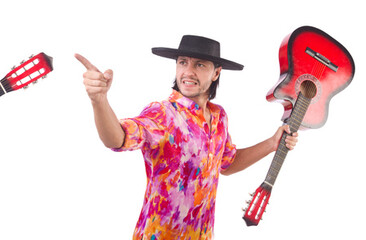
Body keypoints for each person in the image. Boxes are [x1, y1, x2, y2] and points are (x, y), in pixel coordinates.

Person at [76, 35, 299, 239]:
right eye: (183, 62)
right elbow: (117, 138)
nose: (188, 71)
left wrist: (271, 143)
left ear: (216, 73)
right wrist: (99, 100)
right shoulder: (163, 113)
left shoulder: (218, 116)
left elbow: (227, 163)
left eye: (199, 64)